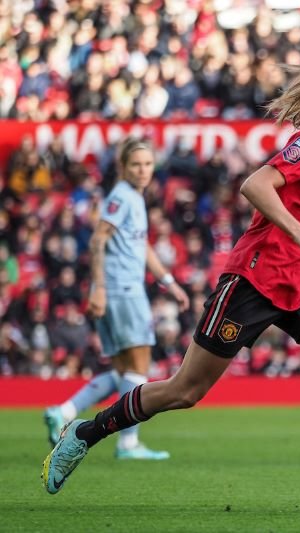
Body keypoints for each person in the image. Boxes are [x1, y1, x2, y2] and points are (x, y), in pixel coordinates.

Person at [43, 55, 300, 508]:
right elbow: (256, 184)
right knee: (184, 391)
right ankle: (83, 434)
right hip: (254, 278)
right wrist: (299, 230)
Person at [44, 137, 190, 460]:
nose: (142, 170)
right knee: (139, 366)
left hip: (118, 289)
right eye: (136, 164)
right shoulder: (122, 197)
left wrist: (168, 282)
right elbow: (97, 241)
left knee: (124, 370)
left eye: (148, 164)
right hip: (121, 290)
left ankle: (64, 411)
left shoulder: (133, 198)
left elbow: (141, 247)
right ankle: (128, 443)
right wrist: (99, 287)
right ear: (123, 166)